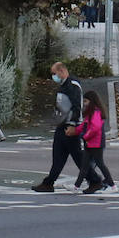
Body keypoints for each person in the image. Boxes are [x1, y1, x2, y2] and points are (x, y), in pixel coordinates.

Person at [32, 61, 100, 193]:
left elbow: (76, 107)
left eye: (54, 73)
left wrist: (74, 125)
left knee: (77, 157)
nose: (53, 76)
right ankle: (49, 183)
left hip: (69, 127)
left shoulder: (72, 86)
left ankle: (95, 181)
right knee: (59, 156)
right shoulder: (65, 85)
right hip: (63, 125)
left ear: (62, 71)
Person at [72, 90, 115, 194]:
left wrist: (85, 136)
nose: (84, 104)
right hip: (90, 144)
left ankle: (112, 185)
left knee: (99, 164)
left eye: (86, 101)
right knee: (85, 166)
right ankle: (76, 187)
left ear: (92, 102)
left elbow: (95, 127)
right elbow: (84, 126)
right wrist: (75, 131)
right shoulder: (90, 114)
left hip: (96, 144)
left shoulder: (95, 113)